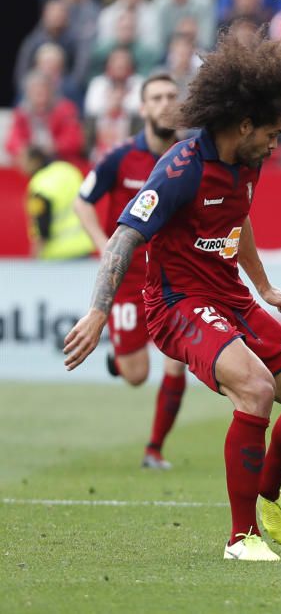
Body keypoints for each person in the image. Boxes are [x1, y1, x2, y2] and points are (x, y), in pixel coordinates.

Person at [63, 30, 281, 562]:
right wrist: (99, 311)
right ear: (244, 124)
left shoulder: (249, 160)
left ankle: (267, 492)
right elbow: (124, 236)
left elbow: (240, 217)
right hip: (177, 304)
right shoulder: (180, 167)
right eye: (273, 133)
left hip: (231, 297)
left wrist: (262, 287)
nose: (276, 144)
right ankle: (242, 540)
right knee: (256, 390)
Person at [73, 74, 189, 470]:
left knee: (177, 360)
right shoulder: (120, 157)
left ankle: (154, 449)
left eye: (172, 96)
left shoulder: (191, 156)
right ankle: (118, 359)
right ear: (143, 108)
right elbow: (82, 201)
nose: (165, 103)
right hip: (127, 283)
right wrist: (101, 242)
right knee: (137, 374)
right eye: (157, 97)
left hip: (173, 280)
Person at [21, 146, 94, 260]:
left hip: (57, 256)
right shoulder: (68, 170)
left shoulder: (39, 185)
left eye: (23, 160)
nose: (21, 165)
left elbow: (42, 228)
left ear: (35, 161)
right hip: (83, 247)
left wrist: (33, 261)